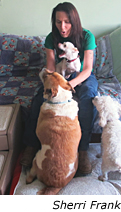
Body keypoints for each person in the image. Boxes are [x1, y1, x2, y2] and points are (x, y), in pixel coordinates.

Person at [20, 2, 98, 175]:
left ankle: (83, 151)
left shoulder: (87, 37)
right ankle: (31, 145)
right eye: (58, 22)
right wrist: (54, 83)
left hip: (82, 76)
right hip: (59, 75)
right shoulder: (51, 38)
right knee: (40, 97)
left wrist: (70, 85)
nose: (62, 27)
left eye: (67, 22)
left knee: (86, 98)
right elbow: (51, 68)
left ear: (74, 21)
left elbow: (87, 69)